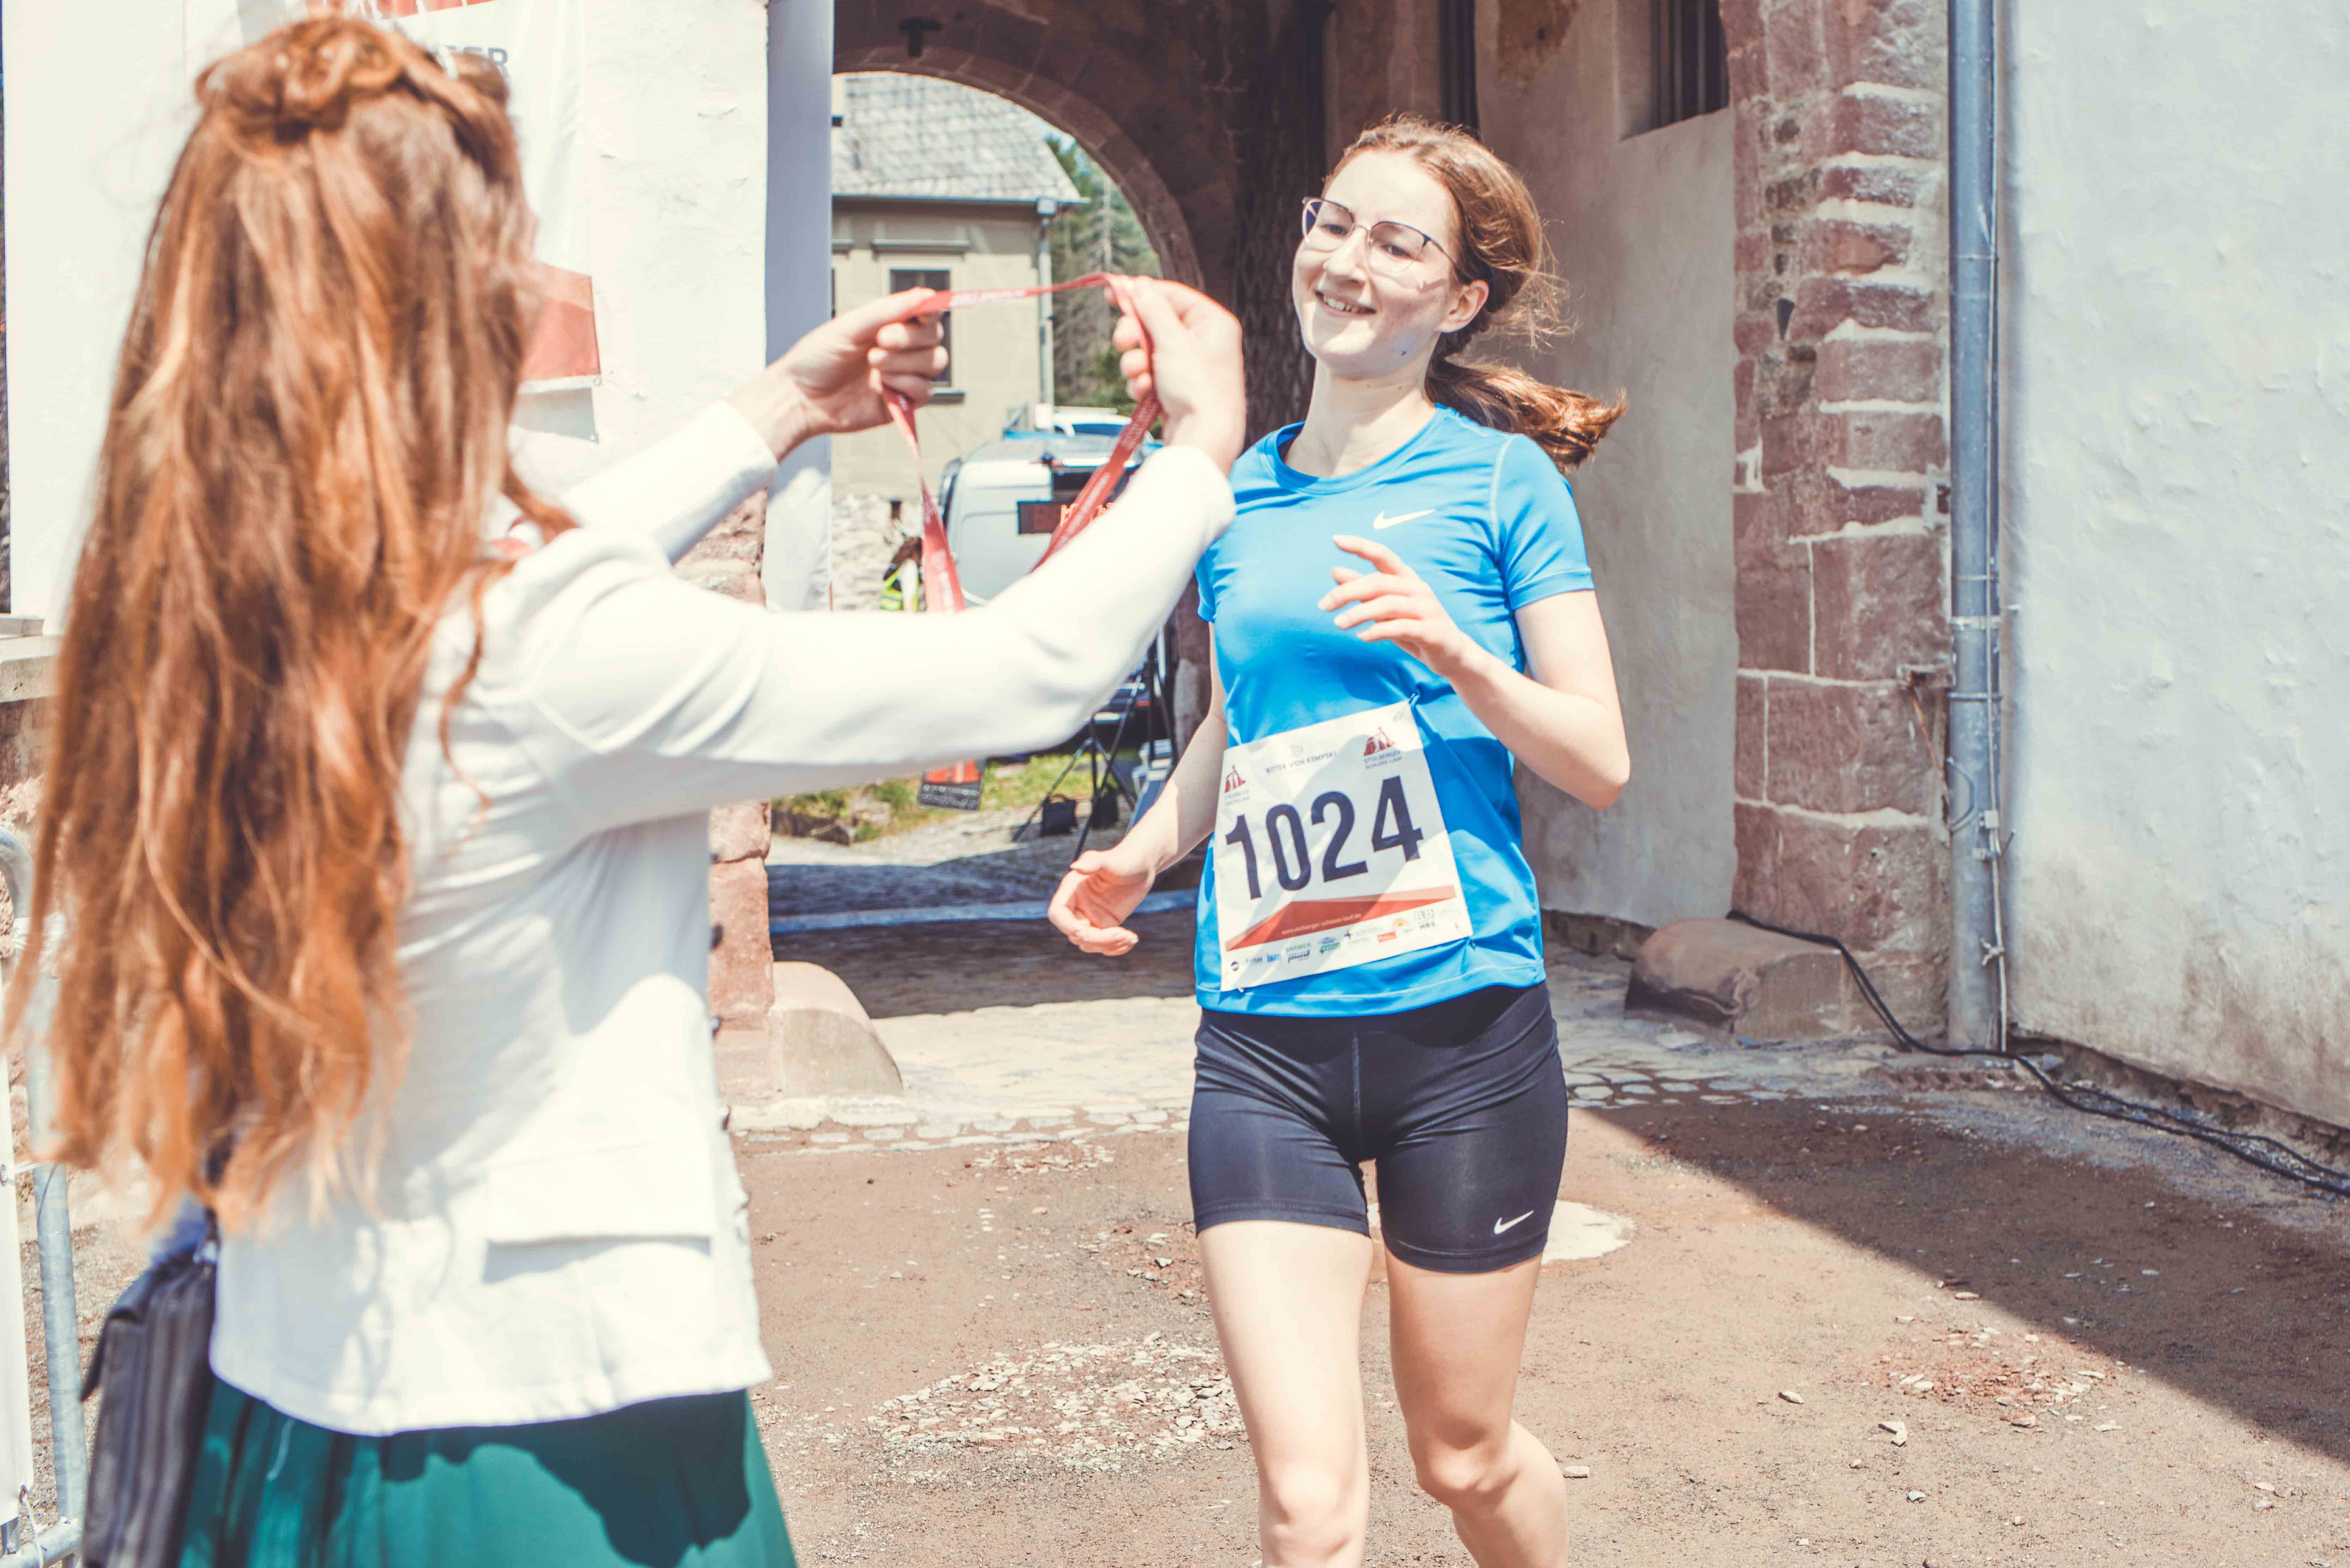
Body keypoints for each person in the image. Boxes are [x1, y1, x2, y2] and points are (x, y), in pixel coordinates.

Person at [13, 16, 1241, 1566]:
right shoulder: (538, 651)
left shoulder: (221, 603)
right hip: (546, 1446)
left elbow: (529, 572)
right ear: (442, 303)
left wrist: (775, 413)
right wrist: (1204, 445)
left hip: (290, 1397)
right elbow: (1023, 670)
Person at [1049, 114, 1630, 1568]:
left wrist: (1461, 658)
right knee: (1309, 1505)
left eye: (1397, 240)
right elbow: (1243, 725)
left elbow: (1600, 758)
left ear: (1460, 299)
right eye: (1334, 222)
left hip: (1462, 1037)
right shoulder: (1232, 494)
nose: (1348, 259)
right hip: (1262, 1040)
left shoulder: (1503, 489)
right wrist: (1144, 845)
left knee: (1461, 1454)